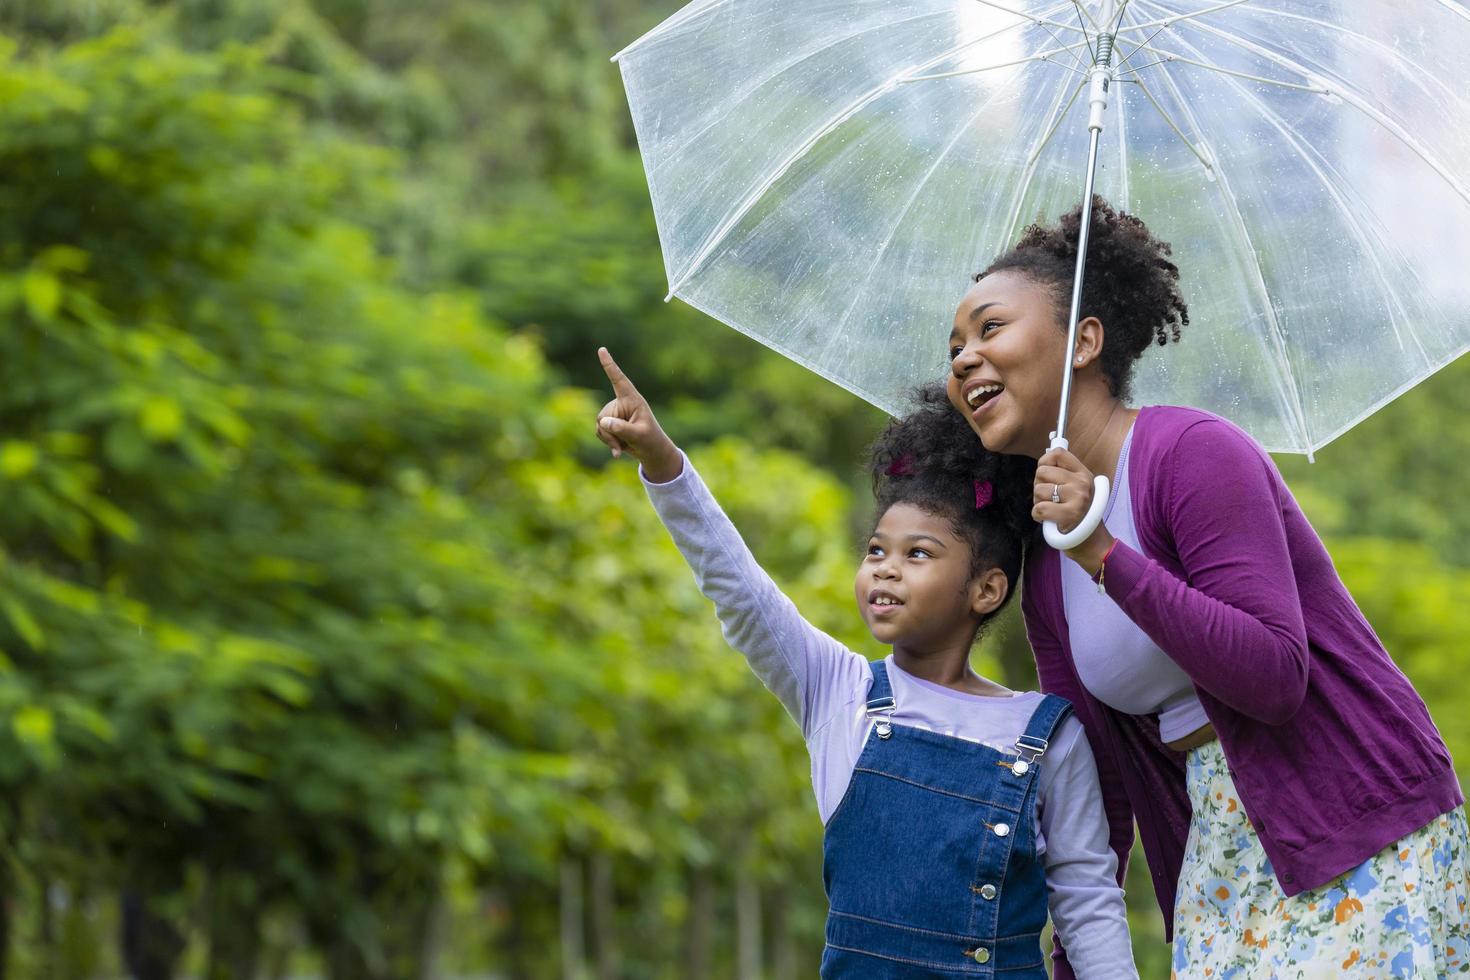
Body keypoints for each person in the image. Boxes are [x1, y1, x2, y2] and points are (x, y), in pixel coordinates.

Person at [945, 197, 1470, 978]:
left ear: (1085, 340)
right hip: (1217, 863)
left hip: (1357, 821)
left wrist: (1105, 551)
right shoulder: (1047, 569)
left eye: (991, 329)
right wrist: (1076, 958)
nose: (962, 359)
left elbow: (1274, 675)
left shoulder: (1192, 455)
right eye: (954, 346)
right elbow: (1095, 784)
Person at [593, 347, 1137, 977]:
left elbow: (1089, 905)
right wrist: (664, 464)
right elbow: (738, 589)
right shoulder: (837, 690)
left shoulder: (1048, 735)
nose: (884, 566)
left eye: (919, 554)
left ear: (986, 589)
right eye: (876, 549)